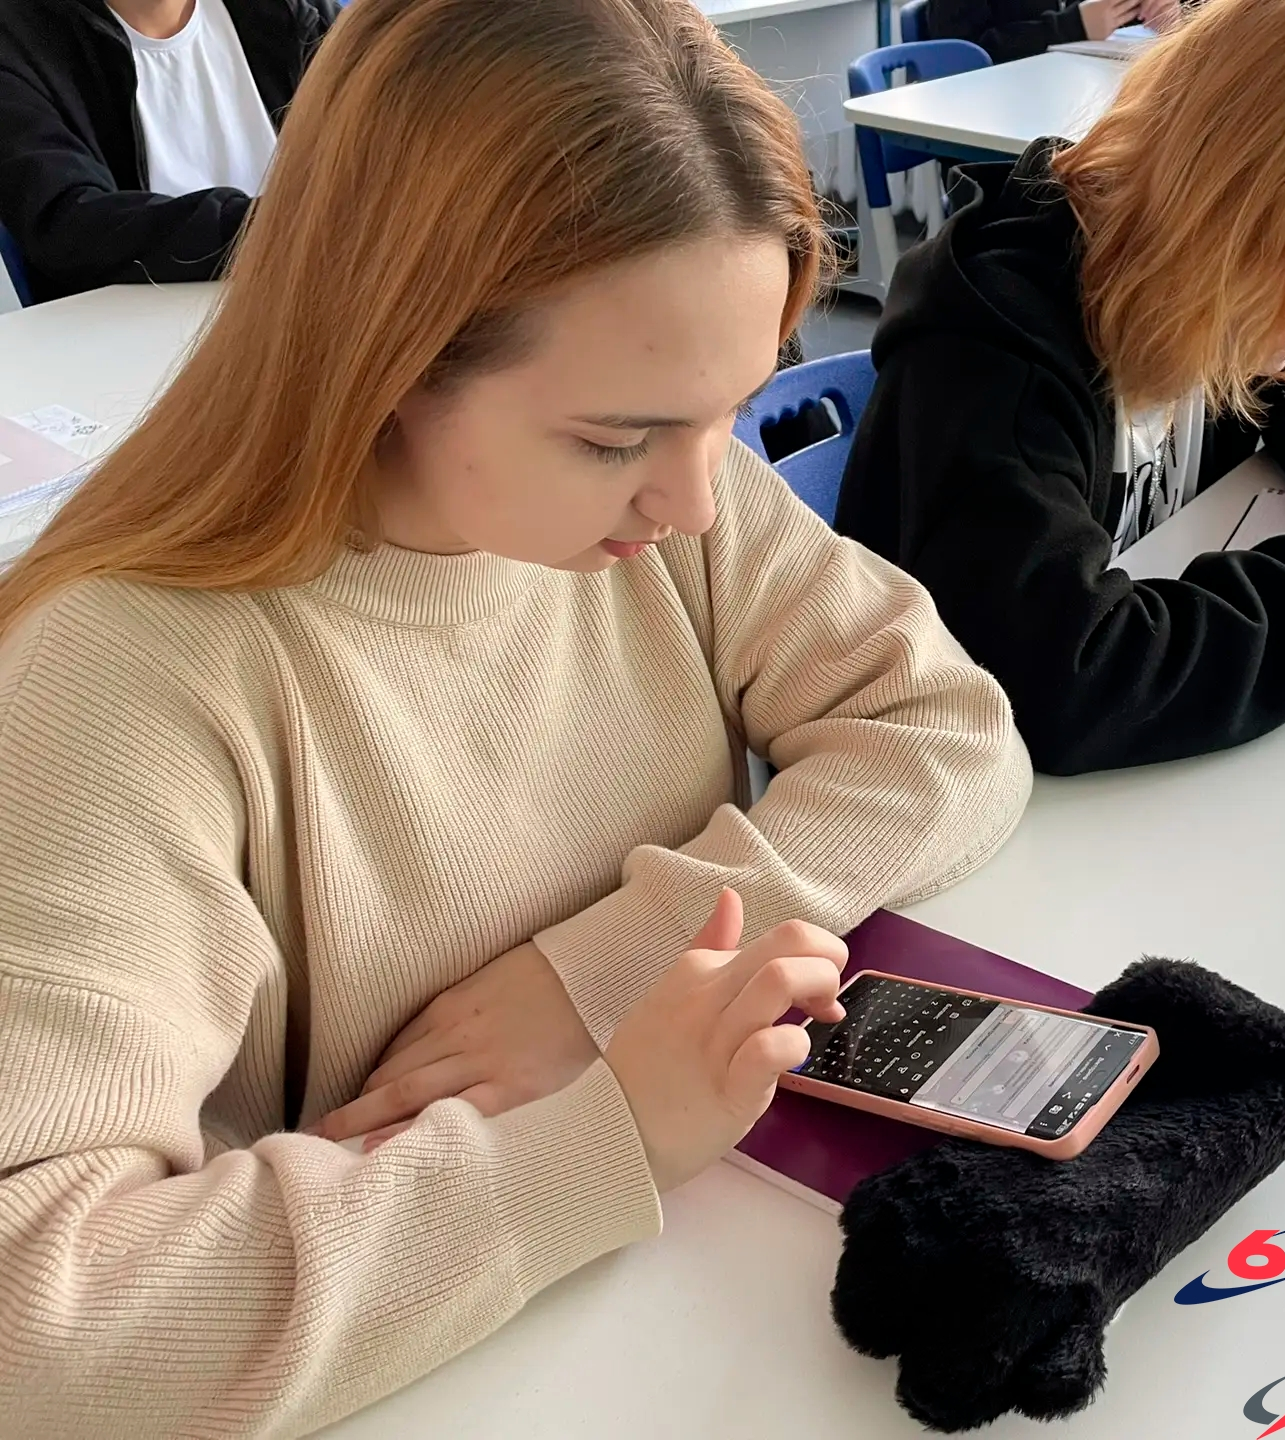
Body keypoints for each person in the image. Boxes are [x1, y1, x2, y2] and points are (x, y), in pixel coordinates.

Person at [0, 0, 1031, 1430]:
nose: (694, 499)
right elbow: (40, 1319)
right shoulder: (122, 674)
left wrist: (605, 972)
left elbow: (947, 729)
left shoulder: (672, 486)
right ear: (389, 352)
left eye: (731, 410)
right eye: (614, 440)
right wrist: (608, 1140)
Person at [837, 0, 1285, 777]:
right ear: (1242, 229)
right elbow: (1070, 680)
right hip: (936, 768)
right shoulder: (995, 359)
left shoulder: (1196, 282)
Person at [0, 0, 334, 303]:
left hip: (322, 300)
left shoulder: (295, 13)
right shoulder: (18, 42)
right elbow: (68, 225)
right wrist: (277, 228)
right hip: (141, 333)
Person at [923, 0, 1179, 62]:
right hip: (990, 123)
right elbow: (956, 55)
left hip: (1068, 103)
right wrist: (1072, 26)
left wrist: (1163, 10)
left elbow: (1097, 19)